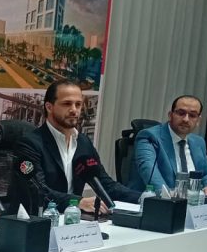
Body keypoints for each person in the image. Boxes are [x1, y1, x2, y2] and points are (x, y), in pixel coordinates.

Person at [11, 80, 138, 215]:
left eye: (78, 104)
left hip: (72, 219)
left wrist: (144, 198)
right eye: (67, 104)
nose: (74, 110)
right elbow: (38, 191)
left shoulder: (83, 142)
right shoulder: (29, 143)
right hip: (35, 219)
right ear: (49, 107)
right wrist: (78, 202)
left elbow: (106, 184)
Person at [134, 95, 207, 197]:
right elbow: (149, 172)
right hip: (154, 201)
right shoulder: (150, 137)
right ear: (170, 115)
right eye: (181, 113)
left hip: (192, 201)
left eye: (192, 115)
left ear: (198, 120)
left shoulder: (198, 142)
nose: (186, 119)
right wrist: (168, 197)